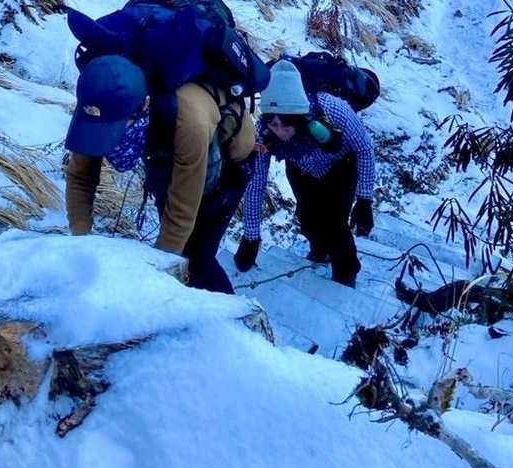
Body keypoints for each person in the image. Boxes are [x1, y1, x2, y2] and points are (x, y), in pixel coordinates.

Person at [64, 54, 257, 295]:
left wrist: (155, 283)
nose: (108, 139)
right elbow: (80, 177)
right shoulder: (97, 104)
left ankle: (228, 312)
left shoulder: (189, 119)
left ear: (143, 106)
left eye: (115, 130)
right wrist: (81, 241)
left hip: (226, 163)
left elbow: (181, 212)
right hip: (163, 150)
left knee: (195, 254)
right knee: (180, 248)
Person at [234, 58, 375, 287]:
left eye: (285, 125)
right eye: (273, 124)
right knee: (307, 217)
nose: (279, 132)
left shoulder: (331, 108)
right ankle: (319, 250)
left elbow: (364, 147)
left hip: (341, 165)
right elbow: (256, 183)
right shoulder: (264, 132)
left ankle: (346, 272)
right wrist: (251, 237)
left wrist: (365, 199)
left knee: (335, 223)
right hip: (301, 169)